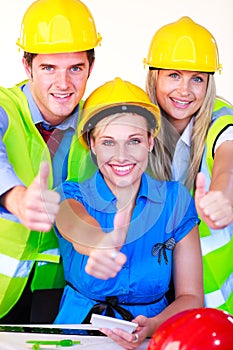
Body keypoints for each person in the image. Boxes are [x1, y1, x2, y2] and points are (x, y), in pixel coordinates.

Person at [54, 77, 203, 348]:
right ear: (92, 144)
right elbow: (73, 223)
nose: (122, 155)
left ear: (150, 141)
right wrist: (98, 243)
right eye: (109, 142)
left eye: (133, 140)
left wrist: (151, 326)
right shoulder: (71, 194)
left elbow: (191, 296)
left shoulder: (175, 200)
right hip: (77, 336)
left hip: (154, 336)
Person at [0, 0, 101, 323]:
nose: (63, 84)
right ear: (27, 66)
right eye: (49, 68)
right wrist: (14, 197)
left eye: (75, 68)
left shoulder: (97, 123)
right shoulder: (5, 105)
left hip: (56, 297)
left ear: (91, 67)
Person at [144, 16, 233, 313]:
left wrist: (222, 194)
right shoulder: (136, 118)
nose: (185, 90)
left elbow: (228, 156)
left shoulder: (220, 118)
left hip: (209, 298)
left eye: (197, 78)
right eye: (174, 75)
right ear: (154, 75)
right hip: (148, 290)